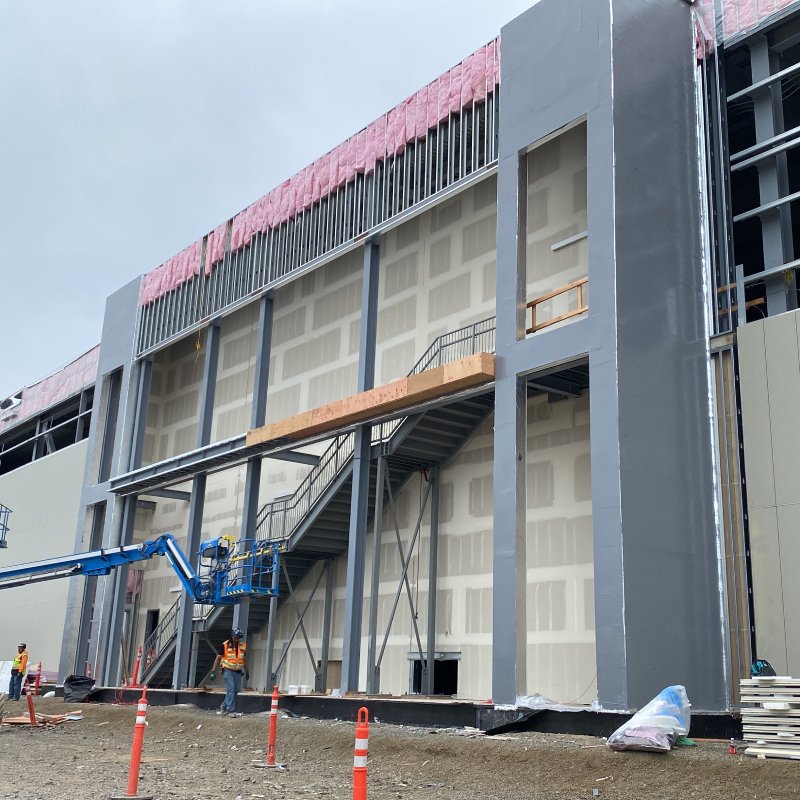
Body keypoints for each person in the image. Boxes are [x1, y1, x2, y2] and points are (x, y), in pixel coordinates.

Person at [210, 628, 248, 716]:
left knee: (236, 690)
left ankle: (224, 705)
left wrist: (247, 671)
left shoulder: (242, 646)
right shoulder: (225, 645)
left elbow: (244, 660)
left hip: (238, 671)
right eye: (235, 638)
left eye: (238, 638)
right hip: (228, 671)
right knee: (231, 690)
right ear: (232, 636)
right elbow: (218, 658)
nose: (237, 640)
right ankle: (230, 710)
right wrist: (213, 671)